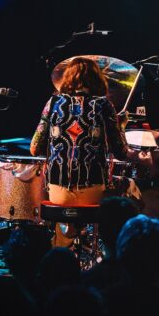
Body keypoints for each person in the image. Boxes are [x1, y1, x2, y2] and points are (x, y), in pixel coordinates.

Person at [30, 57, 126, 205]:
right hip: (92, 192)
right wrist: (121, 126)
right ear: (97, 79)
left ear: (67, 78)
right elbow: (121, 152)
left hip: (58, 192)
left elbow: (34, 149)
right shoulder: (104, 104)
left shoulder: (53, 103)